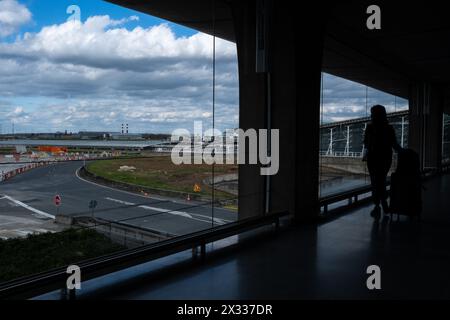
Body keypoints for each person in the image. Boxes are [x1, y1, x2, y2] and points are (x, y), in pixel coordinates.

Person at [363, 105, 402, 218]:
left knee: (375, 182)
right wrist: (403, 151)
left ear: (374, 115)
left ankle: (377, 206)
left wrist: (367, 152)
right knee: (381, 180)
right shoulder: (389, 128)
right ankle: (383, 202)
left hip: (373, 158)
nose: (370, 115)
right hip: (385, 158)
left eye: (372, 113)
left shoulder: (370, 127)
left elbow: (366, 143)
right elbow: (394, 144)